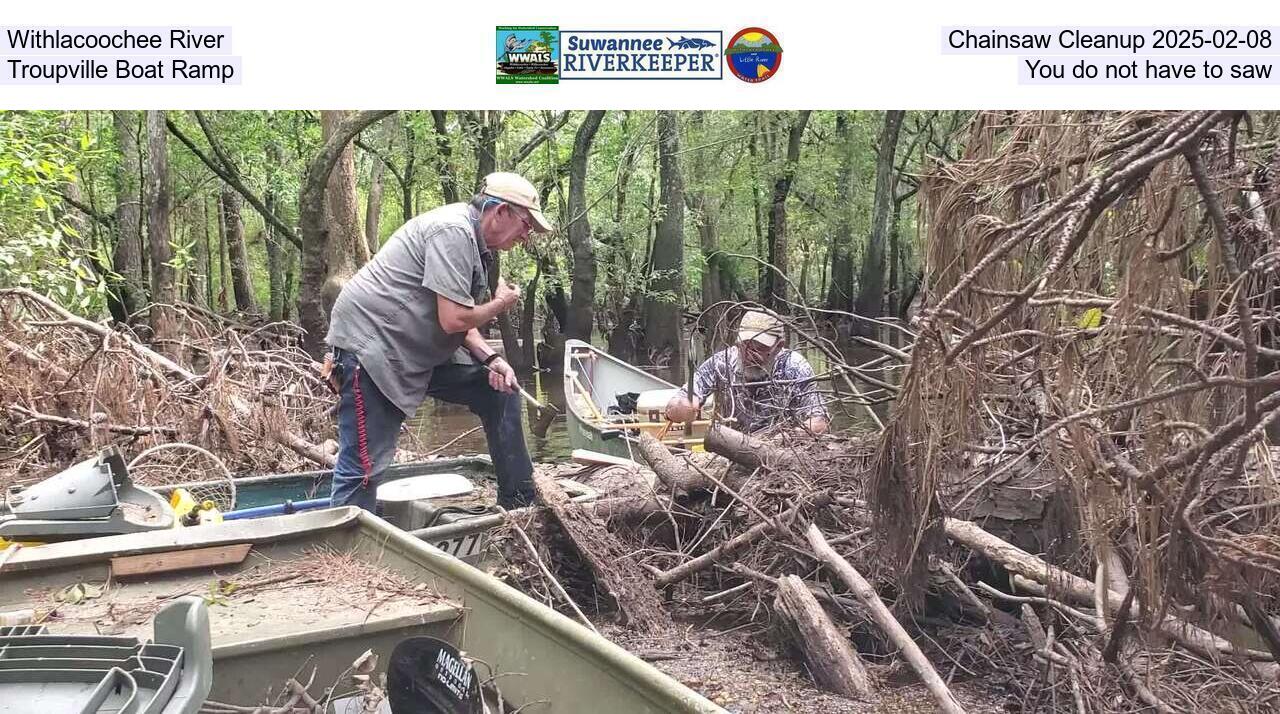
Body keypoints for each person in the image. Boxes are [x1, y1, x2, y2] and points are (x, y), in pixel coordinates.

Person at [324, 172, 552, 511]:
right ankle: (346, 553)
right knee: (364, 468)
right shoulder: (454, 232)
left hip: (414, 348)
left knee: (499, 389)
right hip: (373, 347)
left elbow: (457, 318)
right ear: (500, 212)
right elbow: (455, 319)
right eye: (525, 223)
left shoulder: (476, 244)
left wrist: (492, 359)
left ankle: (519, 507)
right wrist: (500, 304)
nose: (526, 234)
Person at [665, 310, 830, 434]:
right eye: (745, 345)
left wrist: (789, 438)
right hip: (729, 450)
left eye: (759, 347)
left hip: (781, 453)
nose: (750, 353)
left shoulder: (794, 367)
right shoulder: (722, 363)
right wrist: (682, 407)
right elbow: (680, 399)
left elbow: (819, 420)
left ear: (779, 346)